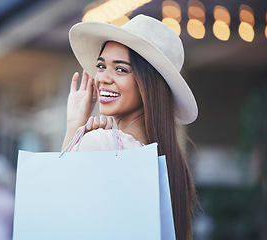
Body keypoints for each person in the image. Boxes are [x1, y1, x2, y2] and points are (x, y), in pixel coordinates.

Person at [62, 15, 198, 240]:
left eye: (121, 70)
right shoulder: (170, 164)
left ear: (148, 84)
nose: (103, 78)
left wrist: (74, 129)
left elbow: (58, 209)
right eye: (101, 66)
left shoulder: (101, 143)